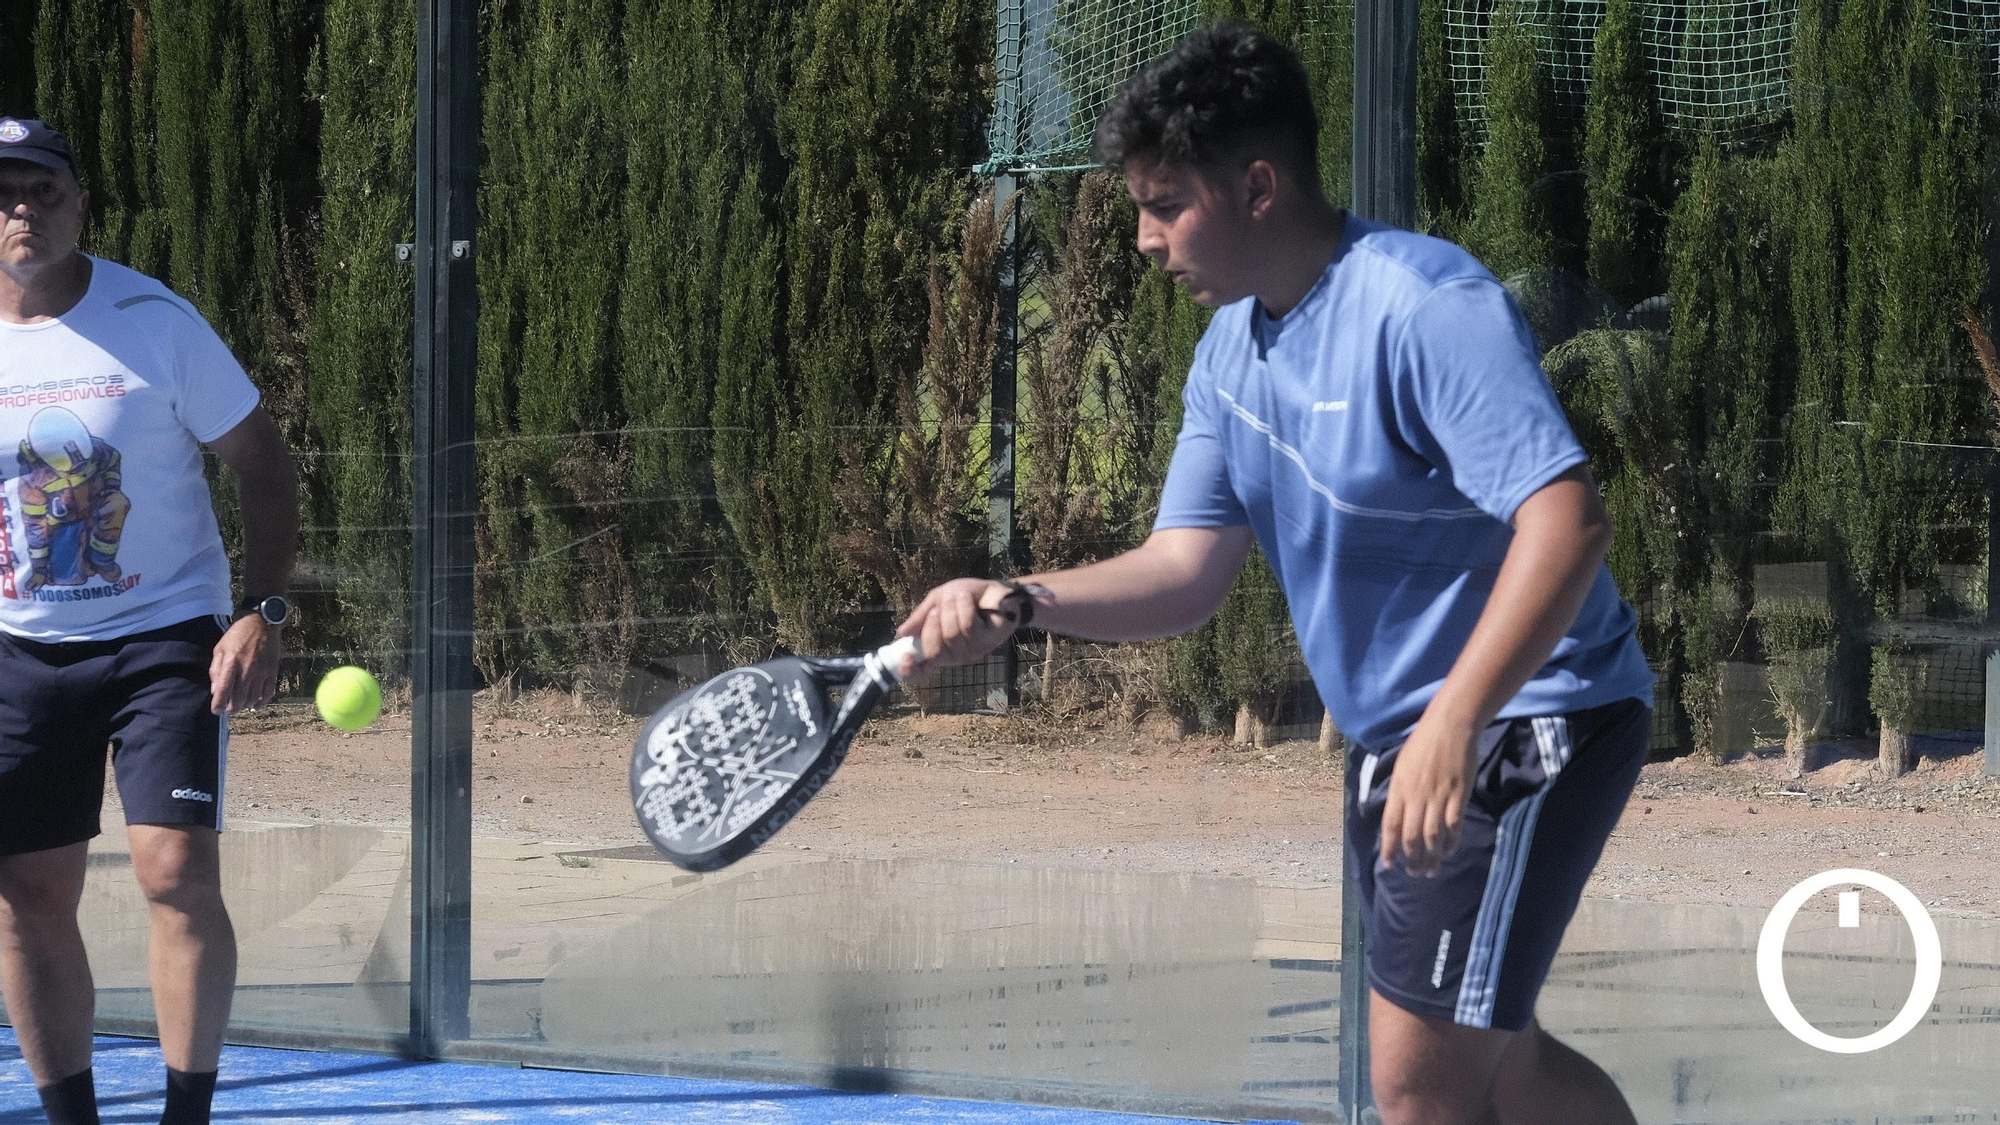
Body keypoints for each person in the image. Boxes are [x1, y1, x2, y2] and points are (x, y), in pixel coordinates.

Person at [895, 25, 1654, 1125]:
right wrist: (1022, 601)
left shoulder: (1423, 307)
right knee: (1502, 1061)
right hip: (1412, 736)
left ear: (1255, 186)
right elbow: (1185, 569)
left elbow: (1566, 523)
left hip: (1531, 718)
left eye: (1163, 206)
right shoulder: (1227, 353)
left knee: (1414, 1088)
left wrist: (1452, 719)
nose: (1144, 240)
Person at [0, 117, 300, 1125]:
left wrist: (262, 611)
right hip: (16, 654)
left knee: (174, 872)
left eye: (41, 190)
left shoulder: (155, 320)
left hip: (163, 637)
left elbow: (262, 464)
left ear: (80, 204)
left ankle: (186, 1116)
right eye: (3, 195)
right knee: (28, 896)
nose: (21, 211)